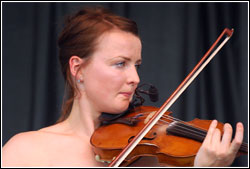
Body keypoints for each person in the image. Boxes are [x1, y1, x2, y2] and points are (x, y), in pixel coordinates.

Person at [2, 6, 244, 167]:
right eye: (120, 64)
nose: (135, 78)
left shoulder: (147, 158)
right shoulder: (25, 152)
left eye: (136, 65)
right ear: (78, 69)